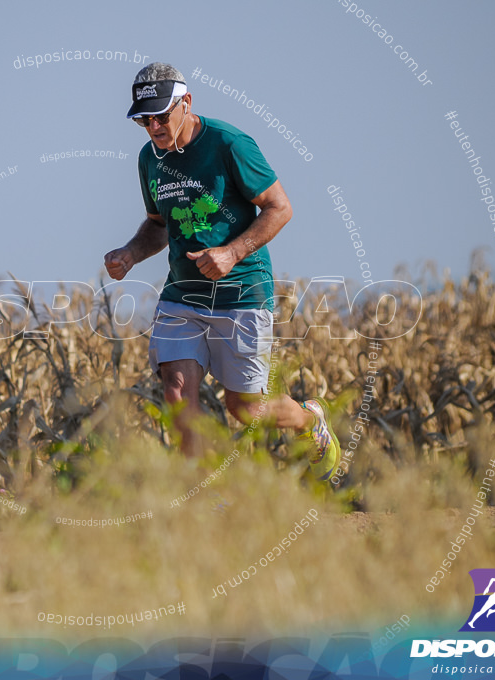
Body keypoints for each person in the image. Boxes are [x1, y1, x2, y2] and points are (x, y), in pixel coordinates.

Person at [104, 62, 340, 480]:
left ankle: (310, 420)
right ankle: (199, 500)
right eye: (144, 119)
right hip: (182, 297)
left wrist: (232, 252)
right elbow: (159, 225)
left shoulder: (230, 144)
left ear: (187, 103)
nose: (153, 126)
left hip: (242, 292)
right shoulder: (149, 159)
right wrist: (129, 253)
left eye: (161, 115)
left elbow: (279, 207)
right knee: (177, 392)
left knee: (246, 407)